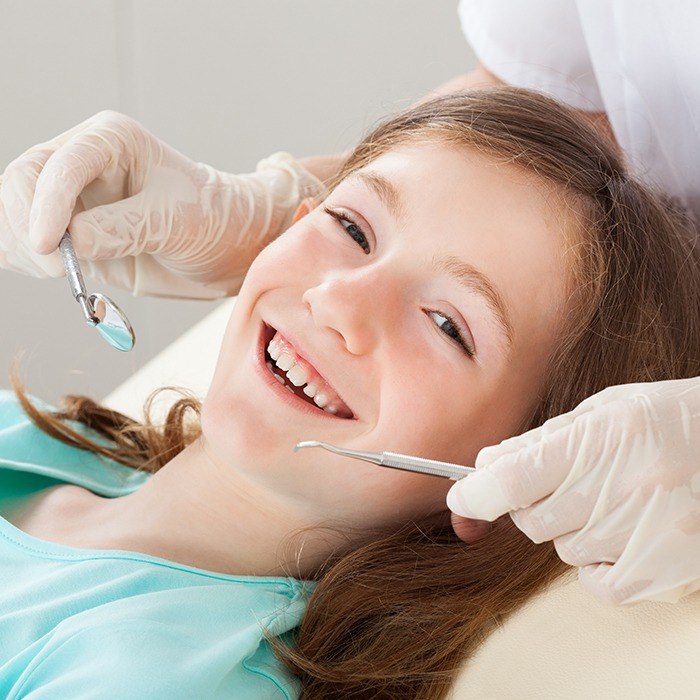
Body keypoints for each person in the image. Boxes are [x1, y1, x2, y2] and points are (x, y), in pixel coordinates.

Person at [1, 89, 698, 698]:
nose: (340, 298)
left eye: (448, 325)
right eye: (352, 227)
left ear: (520, 469)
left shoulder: (155, 678)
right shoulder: (38, 449)